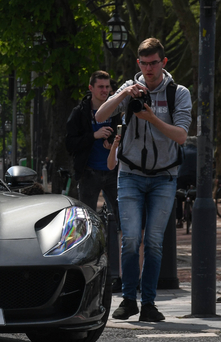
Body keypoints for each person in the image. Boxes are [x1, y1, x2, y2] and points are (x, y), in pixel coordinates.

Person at [96, 38, 192, 322]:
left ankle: (148, 302)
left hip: (165, 176)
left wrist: (152, 118)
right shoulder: (129, 87)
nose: (149, 69)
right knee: (130, 239)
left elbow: (181, 136)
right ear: (138, 64)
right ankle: (128, 299)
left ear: (163, 63)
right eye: (144, 64)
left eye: (154, 63)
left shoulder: (179, 93)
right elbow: (100, 115)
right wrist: (124, 93)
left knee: (153, 242)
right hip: (130, 175)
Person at [66, 70, 121, 220]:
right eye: (100, 87)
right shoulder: (79, 113)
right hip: (89, 172)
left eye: (107, 87)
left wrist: (113, 145)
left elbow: (124, 136)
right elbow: (70, 144)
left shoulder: (116, 110)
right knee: (87, 218)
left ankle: (117, 243)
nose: (105, 91)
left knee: (121, 216)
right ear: (91, 88)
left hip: (114, 173)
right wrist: (93, 136)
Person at [175, 137, 197, 227]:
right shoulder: (199, 151)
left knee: (178, 196)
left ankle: (179, 220)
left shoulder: (181, 150)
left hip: (181, 175)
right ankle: (197, 217)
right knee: (199, 195)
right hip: (195, 176)